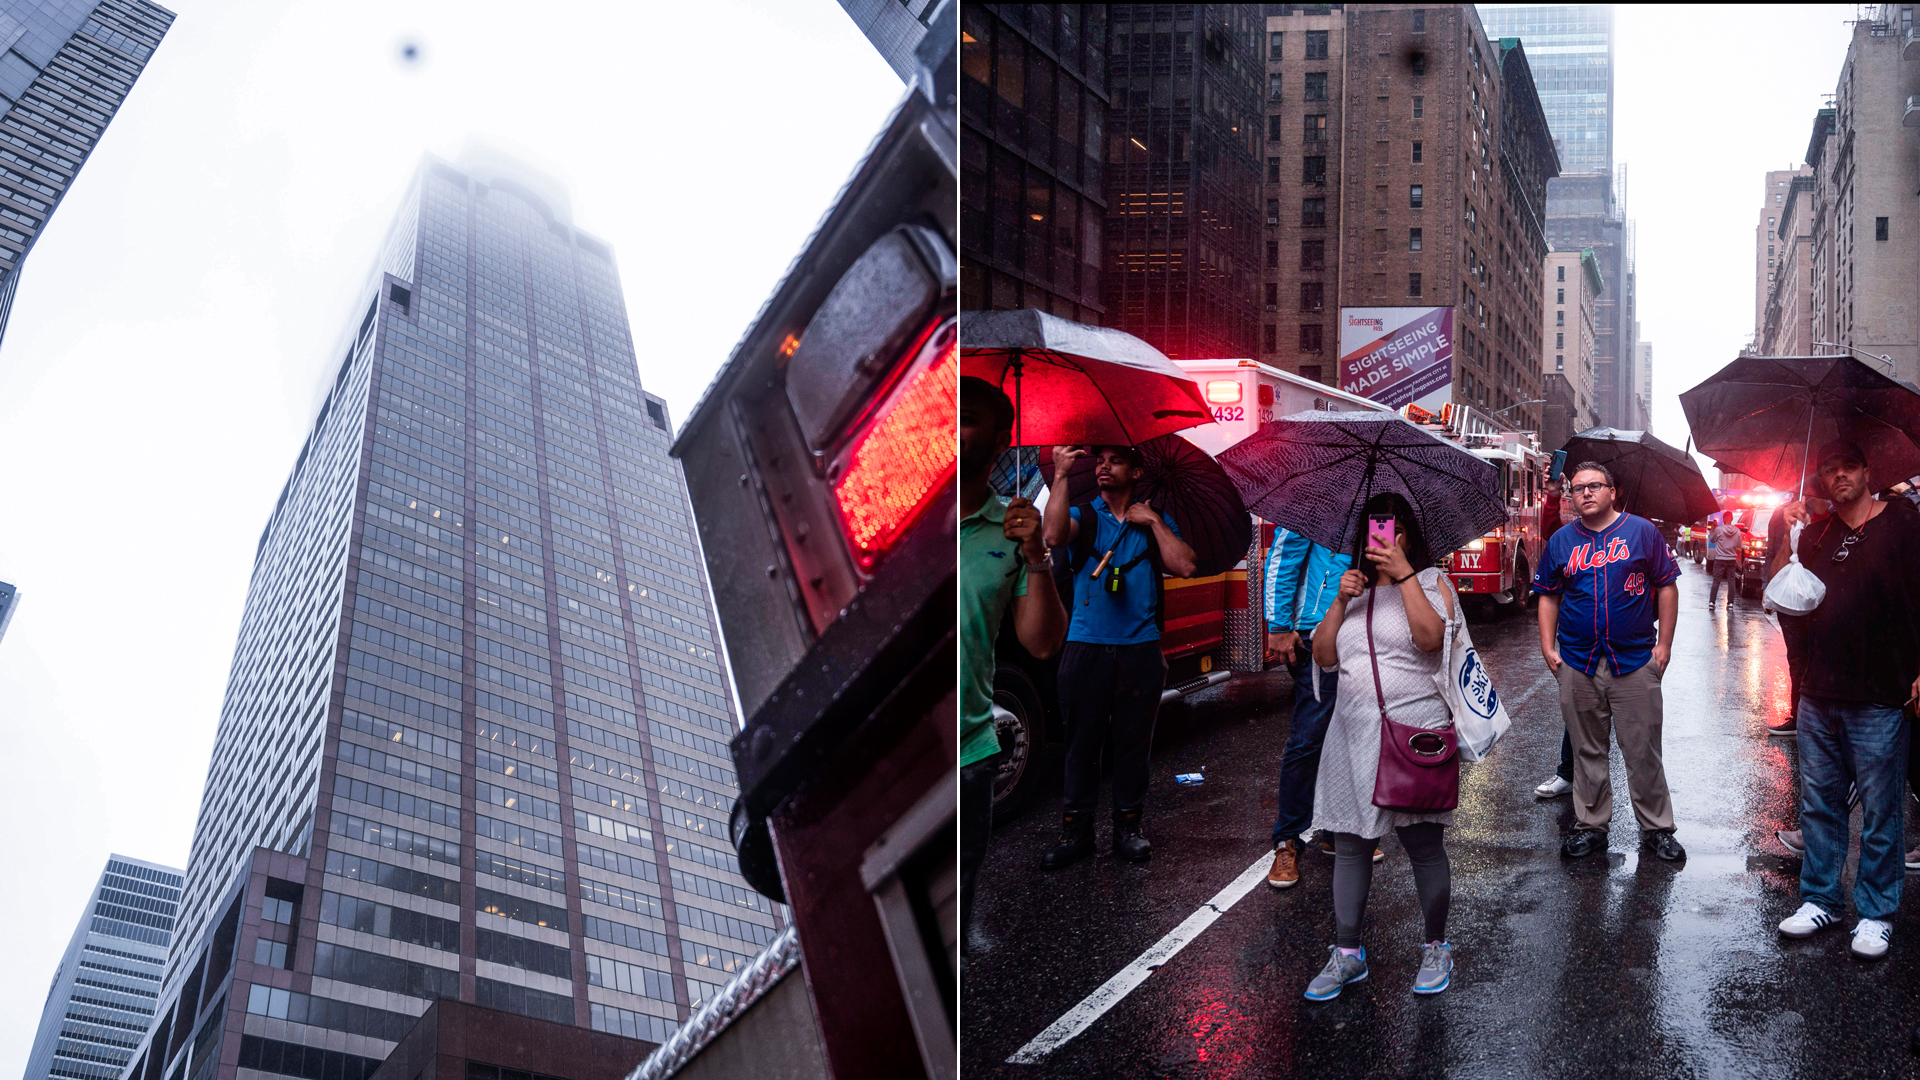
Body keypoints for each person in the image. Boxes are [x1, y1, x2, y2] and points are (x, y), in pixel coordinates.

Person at [1300, 494, 1458, 1001]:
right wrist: (1341, 599)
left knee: (1423, 845)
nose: (1380, 536)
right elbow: (1323, 656)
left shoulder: (1434, 583)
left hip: (1414, 734)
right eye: (1371, 528)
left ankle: (1436, 946)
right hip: (1351, 734)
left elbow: (1431, 640)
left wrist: (1406, 574)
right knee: (1350, 845)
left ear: (1407, 534)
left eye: (1389, 527)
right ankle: (1348, 955)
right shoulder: (1353, 590)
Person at [1771, 441, 1920, 960]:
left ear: (1866, 472)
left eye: (1848, 467)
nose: (1839, 477)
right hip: (1818, 691)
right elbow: (1781, 596)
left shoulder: (1903, 523)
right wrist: (1783, 532)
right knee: (1819, 804)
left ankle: (1876, 912)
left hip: (1880, 694)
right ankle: (1821, 900)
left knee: (1881, 811)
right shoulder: (1816, 534)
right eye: (1829, 470)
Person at [1038, 443, 1197, 867]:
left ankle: (1129, 828)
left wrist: (1156, 522)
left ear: (1136, 471)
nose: (1105, 466)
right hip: (1085, 645)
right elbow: (1052, 537)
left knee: (1132, 744)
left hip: (1140, 649)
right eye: (1101, 460)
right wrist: (1061, 475)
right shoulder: (1083, 514)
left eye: (1116, 461)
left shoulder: (1152, 522)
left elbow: (1185, 566)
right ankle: (1077, 833)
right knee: (1081, 744)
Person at [958, 378, 1067, 950]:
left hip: (968, 755)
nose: (953, 425)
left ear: (1002, 440)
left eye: (968, 417)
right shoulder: (892, 514)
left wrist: (1036, 556)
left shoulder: (1013, 531)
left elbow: (1043, 642)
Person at [1534, 462, 1685, 862]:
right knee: (1587, 751)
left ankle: (1656, 830)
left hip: (1634, 660)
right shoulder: (1562, 540)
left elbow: (1666, 586)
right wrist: (1549, 648)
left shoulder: (1642, 532)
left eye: (1594, 486)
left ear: (1613, 492)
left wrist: (1664, 646)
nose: (1584, 493)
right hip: (1578, 661)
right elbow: (1548, 595)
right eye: (1577, 488)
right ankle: (1591, 828)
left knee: (1643, 751)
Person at [1261, 527, 1380, 890]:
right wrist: (1279, 624)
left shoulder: (1381, 506)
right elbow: (1284, 559)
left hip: (1364, 633)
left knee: (1354, 735)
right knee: (1309, 737)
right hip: (1315, 632)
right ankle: (1287, 840)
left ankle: (1335, 830)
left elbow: (1384, 567)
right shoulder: (1318, 501)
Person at [1706, 512, 1744, 611]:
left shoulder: (1719, 529)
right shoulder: (1737, 530)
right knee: (1731, 581)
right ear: (1731, 519)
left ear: (1724, 519)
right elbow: (1739, 544)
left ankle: (1712, 602)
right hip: (1731, 559)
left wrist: (1713, 529)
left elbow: (1712, 540)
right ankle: (1730, 603)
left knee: (1716, 581)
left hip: (1719, 559)